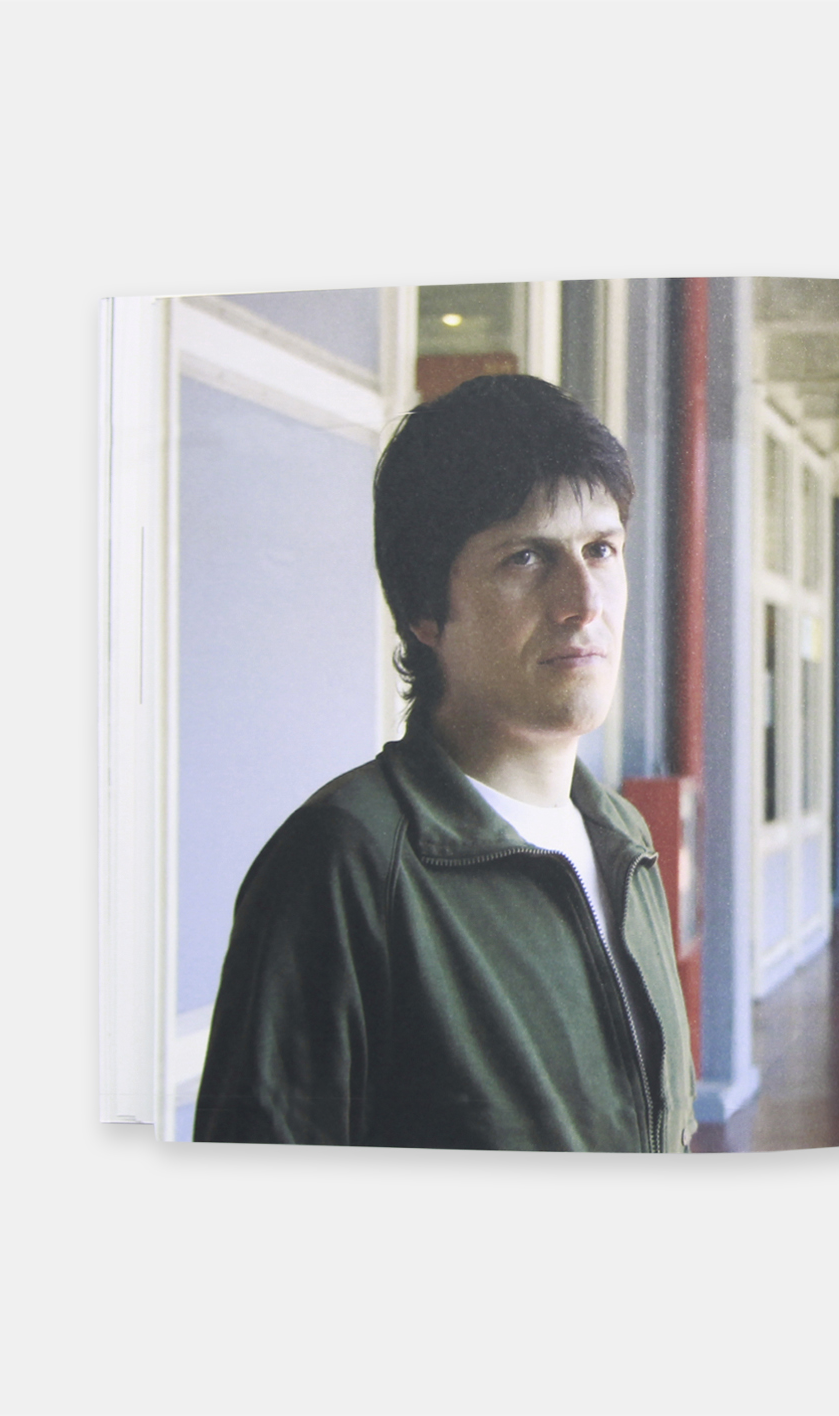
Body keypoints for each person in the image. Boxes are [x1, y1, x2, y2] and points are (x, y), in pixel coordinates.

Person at [195, 374, 695, 1151]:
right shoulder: (344, 865)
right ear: (426, 611)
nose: (585, 601)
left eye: (601, 549)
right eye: (526, 558)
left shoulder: (623, 839)